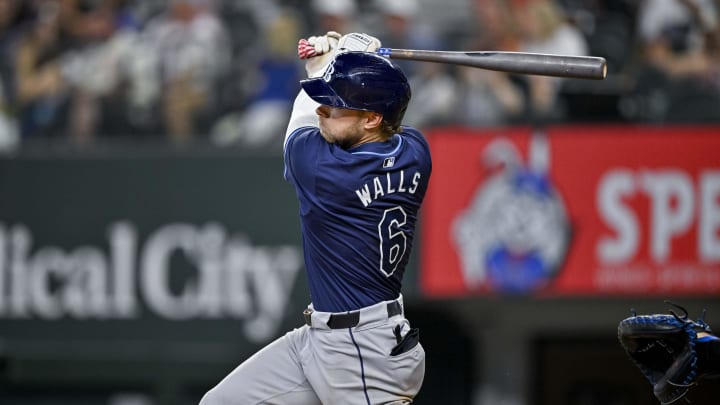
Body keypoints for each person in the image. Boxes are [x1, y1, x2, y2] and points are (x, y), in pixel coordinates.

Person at [199, 31, 431, 405]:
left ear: (372, 119)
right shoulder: (416, 150)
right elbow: (390, 106)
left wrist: (323, 64)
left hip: (362, 353)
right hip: (325, 337)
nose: (324, 109)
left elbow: (302, 122)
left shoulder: (327, 174)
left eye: (337, 106)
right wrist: (357, 64)